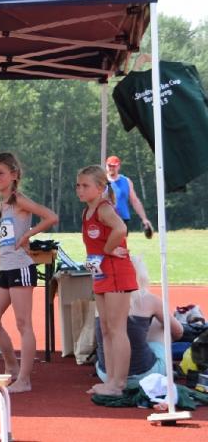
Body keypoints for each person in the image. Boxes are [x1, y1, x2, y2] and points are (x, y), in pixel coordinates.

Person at [0, 152, 58, 393]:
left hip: (21, 267)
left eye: (1, 173)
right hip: (6, 267)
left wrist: (28, 235)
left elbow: (51, 217)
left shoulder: (19, 200)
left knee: (23, 323)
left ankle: (24, 380)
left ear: (14, 175)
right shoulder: (0, 203)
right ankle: (12, 367)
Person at [76, 164, 138, 396]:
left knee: (116, 328)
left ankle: (118, 383)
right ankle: (110, 379)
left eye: (85, 186)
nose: (80, 190)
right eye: (78, 185)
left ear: (101, 187)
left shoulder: (104, 209)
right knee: (105, 328)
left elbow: (120, 229)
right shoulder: (87, 212)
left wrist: (108, 250)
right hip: (101, 273)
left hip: (116, 272)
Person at [94, 256, 183, 388]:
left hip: (106, 375)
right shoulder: (149, 300)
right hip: (145, 375)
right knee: (160, 325)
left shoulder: (101, 301)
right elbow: (178, 332)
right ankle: (157, 361)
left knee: (125, 329)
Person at [105, 155, 153, 236]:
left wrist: (144, 219)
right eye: (109, 166)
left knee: (121, 243)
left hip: (122, 219)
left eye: (114, 166)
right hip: (105, 219)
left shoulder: (126, 181)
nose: (111, 168)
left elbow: (135, 201)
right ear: (106, 166)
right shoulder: (101, 181)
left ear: (118, 166)